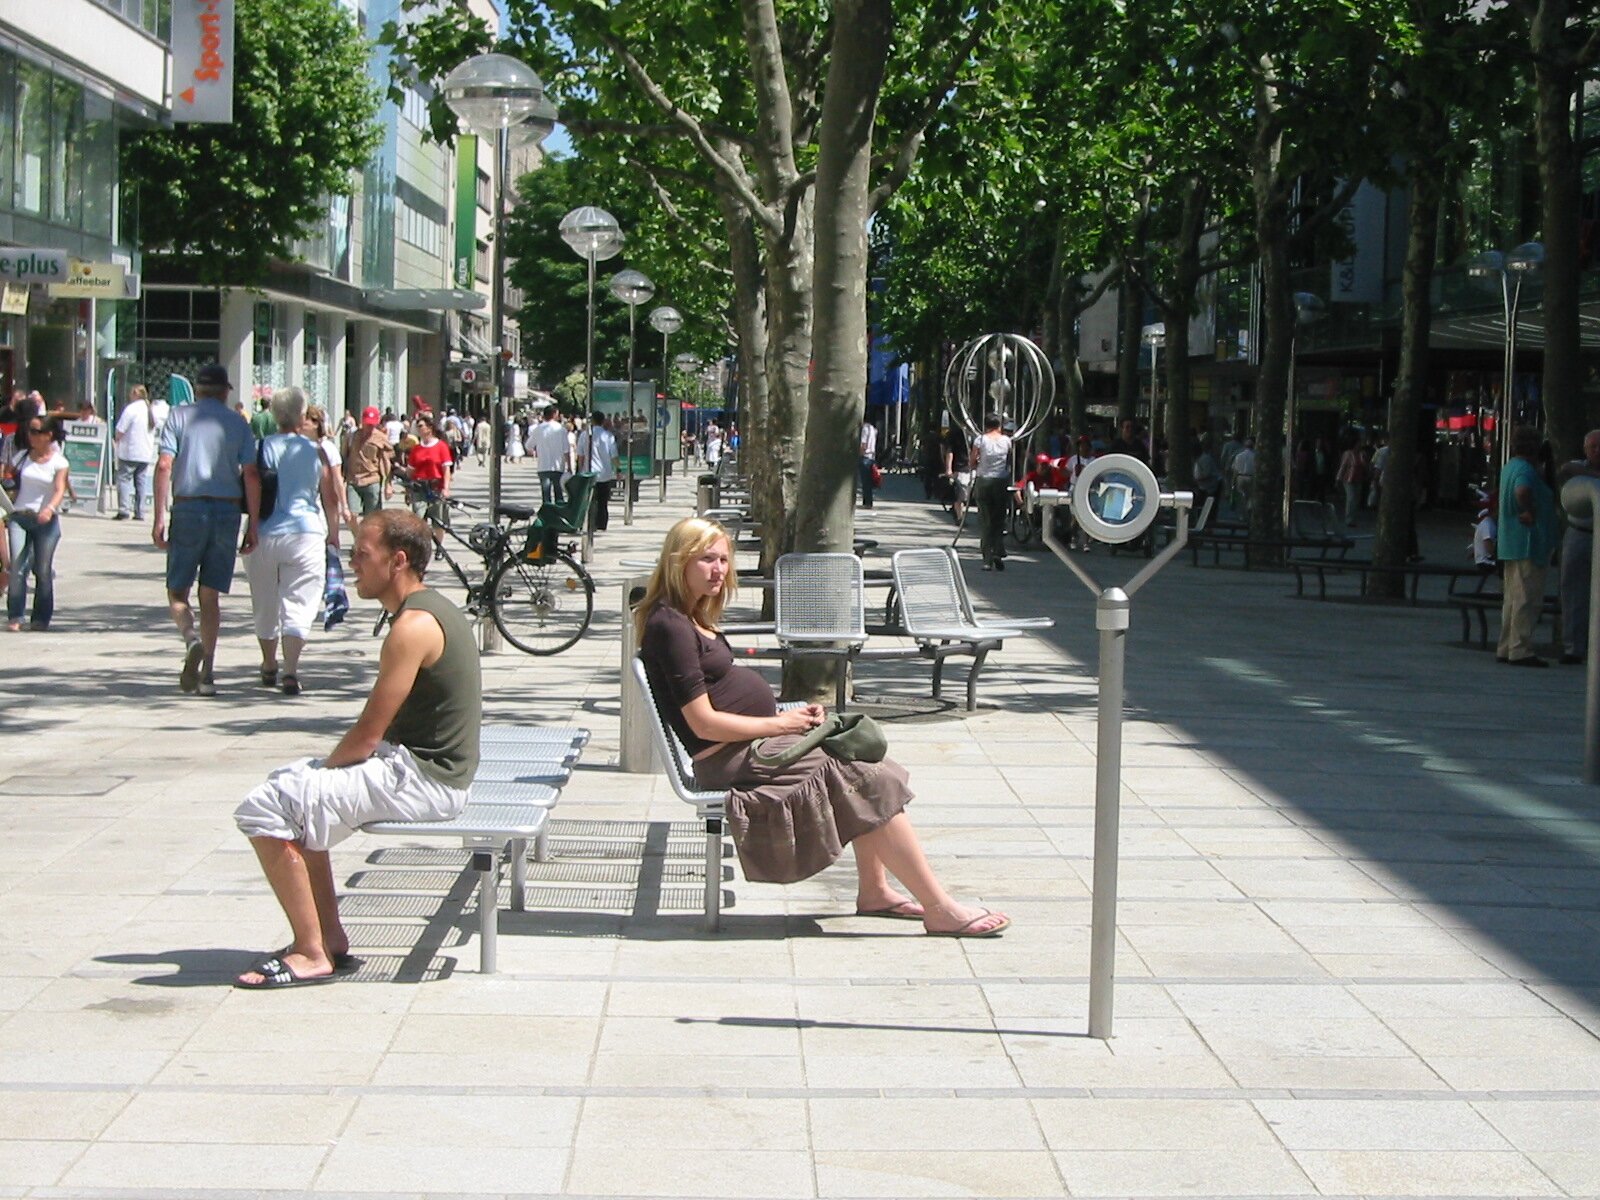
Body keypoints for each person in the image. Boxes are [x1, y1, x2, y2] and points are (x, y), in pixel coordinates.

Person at [637, 517, 1009, 936]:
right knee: (865, 778)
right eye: (706, 559)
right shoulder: (670, 626)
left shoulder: (689, 617)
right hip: (729, 759)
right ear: (678, 561)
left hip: (750, 747)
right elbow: (702, 723)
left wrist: (789, 721)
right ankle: (939, 907)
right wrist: (780, 725)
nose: (719, 569)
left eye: (723, 559)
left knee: (867, 761)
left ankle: (875, 890)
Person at [232, 510, 481, 988]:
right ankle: (330, 938)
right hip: (422, 769)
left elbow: (368, 735)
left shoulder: (413, 627)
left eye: (362, 555)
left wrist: (323, 773)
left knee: (265, 808)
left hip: (426, 780)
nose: (352, 564)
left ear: (398, 561)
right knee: (291, 789)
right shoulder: (427, 610)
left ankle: (311, 952)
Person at [153, 363, 260, 697]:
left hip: (188, 505)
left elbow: (163, 464)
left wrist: (158, 516)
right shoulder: (237, 423)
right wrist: (253, 523)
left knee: (177, 592)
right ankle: (208, 673)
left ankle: (191, 638)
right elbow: (251, 474)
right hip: (226, 510)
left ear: (197, 390)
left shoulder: (178, 417)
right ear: (226, 391)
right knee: (210, 595)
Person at [244, 388, 344, 695]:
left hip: (265, 531)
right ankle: (290, 669)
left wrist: (251, 526)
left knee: (264, 599)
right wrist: (334, 532)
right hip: (306, 533)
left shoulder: (262, 447)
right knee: (299, 602)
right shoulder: (316, 451)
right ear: (302, 416)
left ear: (274, 415)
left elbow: (254, 485)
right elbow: (328, 497)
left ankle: (268, 662)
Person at [1497, 425, 1560, 667]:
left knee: (1512, 598)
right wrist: (1530, 510)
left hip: (1511, 541)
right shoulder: (1526, 470)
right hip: (1529, 542)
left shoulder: (1509, 467)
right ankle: (1520, 648)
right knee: (1528, 598)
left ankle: (1506, 644)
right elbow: (1522, 490)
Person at [5, 413, 68, 630]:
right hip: (20, 517)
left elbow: (60, 489)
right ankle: (15, 615)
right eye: (29, 431)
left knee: (42, 569)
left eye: (35, 431)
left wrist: (50, 509)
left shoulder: (59, 462)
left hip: (45, 521)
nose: (30, 436)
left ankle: (41, 617)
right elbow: (8, 480)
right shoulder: (21, 457)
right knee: (17, 567)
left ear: (48, 435)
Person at [1556, 429, 1600, 664]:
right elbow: (1565, 470)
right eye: (1593, 446)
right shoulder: (1575, 468)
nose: (1597, 450)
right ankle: (1573, 647)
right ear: (1585, 449)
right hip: (1578, 534)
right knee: (1573, 591)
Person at [970, 413, 1012, 571]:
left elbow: (972, 461)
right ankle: (998, 550)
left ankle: (987, 558)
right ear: (999, 426)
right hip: (1001, 481)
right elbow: (1010, 460)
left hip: (984, 480)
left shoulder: (980, 440)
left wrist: (978, 464)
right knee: (999, 519)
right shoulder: (1006, 441)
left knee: (985, 520)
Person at [113, 384, 160, 521]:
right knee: (141, 482)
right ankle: (140, 511)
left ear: (134, 394)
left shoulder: (131, 409)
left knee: (124, 479)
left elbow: (120, 430)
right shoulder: (150, 409)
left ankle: (124, 509)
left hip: (130, 450)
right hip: (145, 452)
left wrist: (116, 440)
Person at [403, 413, 453, 529]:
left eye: (420, 426)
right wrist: (407, 491)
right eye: (417, 426)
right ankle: (422, 545)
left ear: (429, 428)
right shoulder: (416, 449)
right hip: (419, 488)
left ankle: (439, 545)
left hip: (436, 487)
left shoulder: (441, 446)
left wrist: (446, 488)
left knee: (438, 521)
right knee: (418, 520)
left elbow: (446, 470)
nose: (418, 429)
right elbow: (410, 473)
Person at [344, 406, 393, 517]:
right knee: (351, 515)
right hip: (353, 480)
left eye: (372, 424)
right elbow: (344, 457)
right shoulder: (351, 436)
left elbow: (386, 462)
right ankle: (358, 534)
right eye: (367, 423)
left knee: (373, 517)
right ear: (362, 421)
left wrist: (388, 484)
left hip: (372, 480)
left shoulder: (381, 438)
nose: (369, 426)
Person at [580, 410, 619, 531]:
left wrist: (579, 469)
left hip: (588, 473)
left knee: (589, 500)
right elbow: (614, 456)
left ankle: (590, 522)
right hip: (604, 473)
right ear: (603, 421)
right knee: (603, 501)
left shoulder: (584, 435)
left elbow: (580, 455)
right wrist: (618, 470)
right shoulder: (608, 436)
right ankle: (601, 524)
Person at [531, 403, 571, 505]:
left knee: (546, 496)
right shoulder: (561, 429)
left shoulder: (538, 429)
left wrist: (537, 451)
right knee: (559, 494)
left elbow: (528, 445)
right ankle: (559, 515)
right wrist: (569, 466)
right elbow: (566, 450)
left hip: (543, 466)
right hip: (558, 467)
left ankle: (547, 516)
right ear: (554, 414)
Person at [941, 423, 971, 525]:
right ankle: (960, 517)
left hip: (971, 467)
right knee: (961, 495)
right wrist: (948, 468)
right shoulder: (955, 435)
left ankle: (958, 513)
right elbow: (949, 451)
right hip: (960, 467)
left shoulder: (976, 435)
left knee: (966, 495)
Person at [1335, 433, 1365, 527]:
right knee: (1351, 498)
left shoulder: (1361, 454)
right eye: (1359, 443)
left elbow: (1364, 466)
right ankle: (1349, 519)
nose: (1360, 445)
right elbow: (1343, 466)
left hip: (1358, 479)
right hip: (1348, 479)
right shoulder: (1348, 454)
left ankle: (1353, 518)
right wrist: (1338, 478)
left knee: (1356, 499)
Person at [858, 419, 879, 509]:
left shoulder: (865, 429)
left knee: (865, 481)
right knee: (868, 482)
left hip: (865, 457)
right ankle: (868, 501)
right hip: (871, 457)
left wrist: (860, 454)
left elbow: (863, 444)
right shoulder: (873, 429)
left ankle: (867, 502)